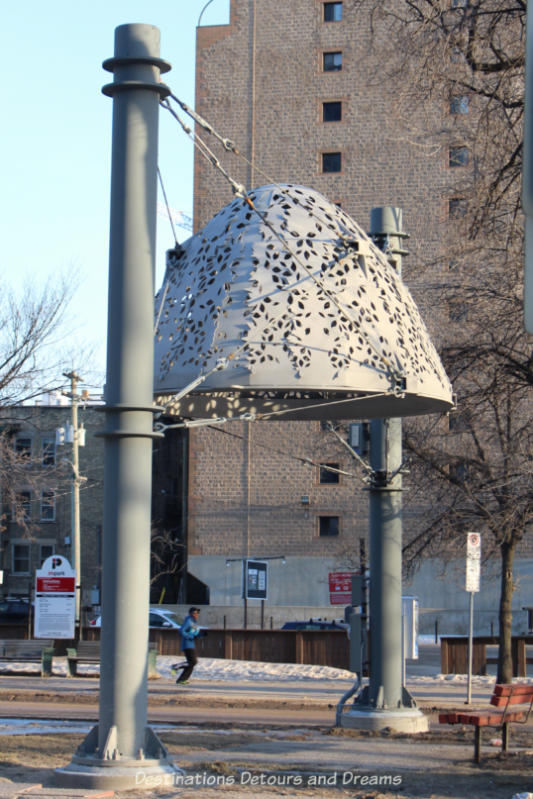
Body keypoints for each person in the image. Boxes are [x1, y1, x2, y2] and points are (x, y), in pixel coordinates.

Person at [175, 607, 201, 684]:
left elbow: (192, 632)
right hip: (187, 645)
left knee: (191, 663)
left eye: (197, 613)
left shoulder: (193, 622)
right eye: (195, 613)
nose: (197, 615)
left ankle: (182, 680)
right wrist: (190, 637)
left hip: (191, 644)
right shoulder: (189, 621)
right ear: (191, 614)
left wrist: (197, 635)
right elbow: (181, 631)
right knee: (193, 662)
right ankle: (176, 666)